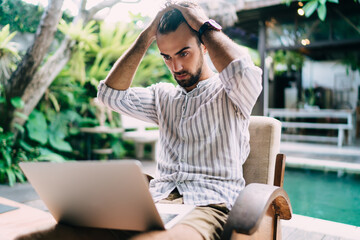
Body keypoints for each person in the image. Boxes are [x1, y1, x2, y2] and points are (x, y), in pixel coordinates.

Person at [17, 2, 262, 240]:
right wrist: (146, 37)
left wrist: (202, 24)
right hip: (156, 203)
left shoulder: (232, 92)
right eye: (166, 57)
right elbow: (109, 95)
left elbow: (242, 71)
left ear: (204, 46)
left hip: (209, 207)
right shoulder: (162, 96)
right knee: (50, 236)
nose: (175, 66)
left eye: (183, 53)